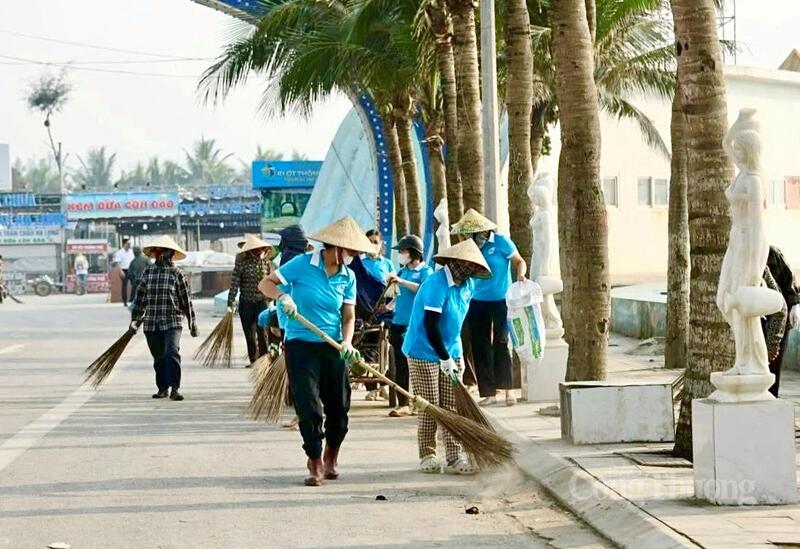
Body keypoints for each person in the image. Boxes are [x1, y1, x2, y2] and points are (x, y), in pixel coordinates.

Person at [258, 216, 373, 486]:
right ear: (335, 247)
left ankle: (332, 454)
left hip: (333, 346)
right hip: (301, 344)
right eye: (351, 252)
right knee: (309, 405)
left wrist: (347, 342)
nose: (354, 257)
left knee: (339, 407)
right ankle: (314, 460)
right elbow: (266, 284)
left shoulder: (349, 277)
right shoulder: (302, 264)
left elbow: (348, 315)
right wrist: (283, 297)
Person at [402, 239, 491, 474]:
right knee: (430, 404)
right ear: (455, 263)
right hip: (423, 350)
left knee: (452, 405)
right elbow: (430, 326)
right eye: (466, 265)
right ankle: (428, 454)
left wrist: (455, 356)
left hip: (452, 350)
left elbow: (460, 322)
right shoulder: (435, 284)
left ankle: (455, 457)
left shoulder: (468, 285)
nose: (469, 271)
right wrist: (443, 358)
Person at [452, 209, 527, 407]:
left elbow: (519, 261)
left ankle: (508, 390)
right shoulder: (470, 247)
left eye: (472, 234)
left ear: (482, 231)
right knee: (480, 345)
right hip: (476, 301)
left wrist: (520, 274)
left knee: (501, 342)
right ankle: (489, 392)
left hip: (501, 300)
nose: (469, 237)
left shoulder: (501, 242)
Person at [130, 235, 198, 401]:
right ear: (154, 254)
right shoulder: (148, 273)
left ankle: (175, 388)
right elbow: (140, 299)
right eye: (159, 252)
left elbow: (186, 300)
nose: (162, 255)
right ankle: (162, 388)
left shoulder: (177, 274)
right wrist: (134, 321)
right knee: (158, 356)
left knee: (171, 352)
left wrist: (192, 322)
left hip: (172, 321)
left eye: (166, 252)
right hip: (151, 322)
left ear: (171, 254)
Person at [385, 234, 433, 417]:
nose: (401, 255)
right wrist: (390, 287)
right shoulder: (402, 271)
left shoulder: (425, 271)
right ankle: (403, 402)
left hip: (415, 325)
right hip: (398, 322)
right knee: (400, 365)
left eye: (404, 251)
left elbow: (424, 289)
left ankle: (420, 401)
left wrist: (402, 282)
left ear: (414, 253)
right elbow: (395, 295)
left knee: (419, 365)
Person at [228, 234, 276, 365]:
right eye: (256, 249)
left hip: (263, 303)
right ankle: (253, 360)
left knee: (263, 333)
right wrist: (230, 302)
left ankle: (264, 360)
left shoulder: (268, 265)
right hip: (246, 303)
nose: (259, 251)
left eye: (261, 249)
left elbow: (274, 283)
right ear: (250, 251)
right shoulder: (241, 265)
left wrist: (274, 299)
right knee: (249, 334)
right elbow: (234, 285)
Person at [764, 246, 800, 396]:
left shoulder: (771, 252)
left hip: (780, 318)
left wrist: (795, 305)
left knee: (773, 365)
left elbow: (789, 280)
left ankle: (771, 399)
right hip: (758, 317)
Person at [113, 238, 135, 306]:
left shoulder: (131, 252)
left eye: (130, 244)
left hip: (131, 270)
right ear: (124, 244)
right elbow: (118, 263)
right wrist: (120, 271)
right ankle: (125, 301)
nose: (129, 245)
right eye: (128, 244)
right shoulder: (119, 253)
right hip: (123, 270)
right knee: (124, 286)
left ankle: (133, 300)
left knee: (135, 285)